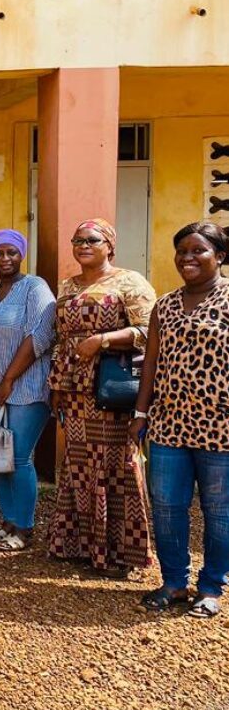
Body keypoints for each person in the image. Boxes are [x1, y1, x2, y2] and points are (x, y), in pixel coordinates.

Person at [48, 219, 156, 577]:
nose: (83, 245)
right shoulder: (68, 285)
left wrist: (103, 339)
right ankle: (78, 544)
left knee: (115, 466)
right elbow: (62, 339)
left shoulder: (130, 282)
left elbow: (149, 332)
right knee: (78, 466)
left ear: (109, 245)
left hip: (111, 391)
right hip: (76, 393)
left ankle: (119, 552)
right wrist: (58, 387)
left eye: (92, 239)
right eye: (77, 239)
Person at [133, 222, 229, 619]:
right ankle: (174, 581)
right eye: (181, 251)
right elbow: (151, 363)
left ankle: (211, 587)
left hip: (220, 426)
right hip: (169, 424)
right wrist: (140, 413)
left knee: (219, 511)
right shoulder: (166, 305)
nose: (187, 258)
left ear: (220, 256)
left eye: (198, 251)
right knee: (167, 506)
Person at [0, 228, 56, 553]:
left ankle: (24, 527)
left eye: (11, 252)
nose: (5, 259)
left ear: (21, 255)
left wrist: (7, 380)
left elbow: (39, 337)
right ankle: (7, 521)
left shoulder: (35, 288)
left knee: (19, 457)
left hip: (27, 389)